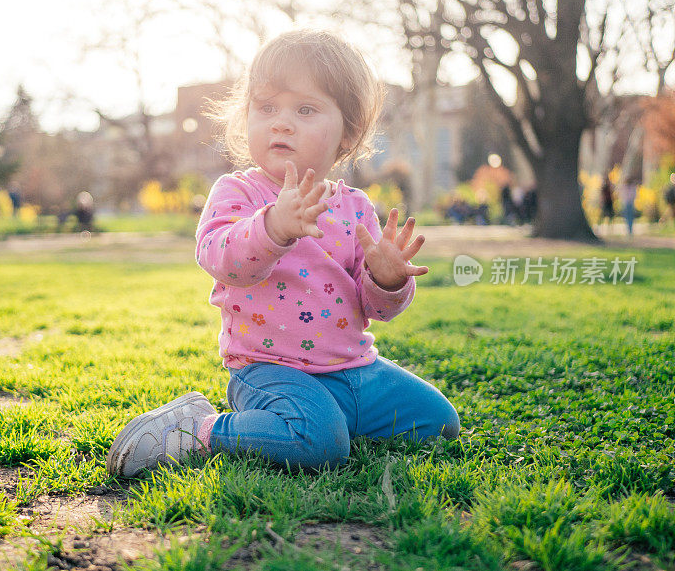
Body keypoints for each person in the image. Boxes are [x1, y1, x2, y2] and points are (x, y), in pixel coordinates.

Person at [106, 29, 460, 476]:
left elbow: (372, 307)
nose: (281, 122)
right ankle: (200, 430)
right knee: (320, 444)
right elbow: (220, 258)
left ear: (347, 133)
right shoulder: (239, 192)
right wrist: (273, 227)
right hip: (270, 370)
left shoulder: (354, 206)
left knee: (438, 422)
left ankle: (322, 420)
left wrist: (388, 280)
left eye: (306, 109)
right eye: (266, 107)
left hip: (352, 368)